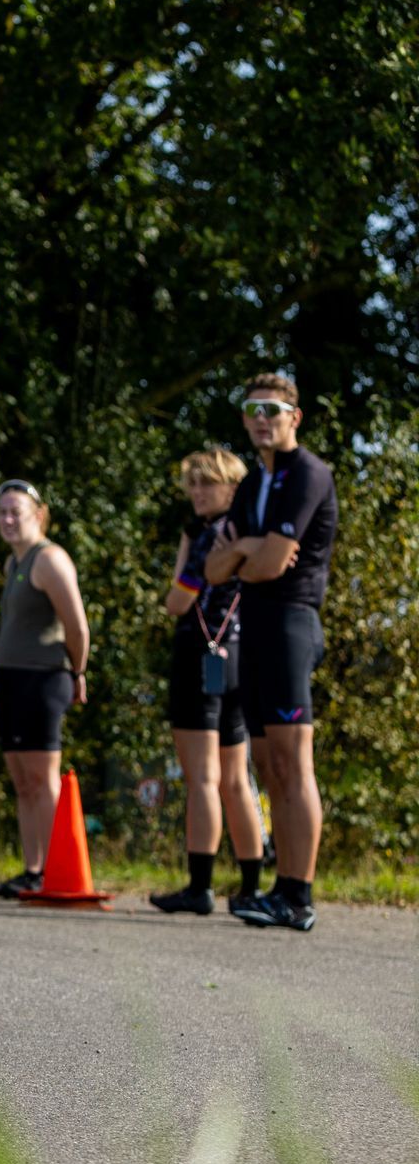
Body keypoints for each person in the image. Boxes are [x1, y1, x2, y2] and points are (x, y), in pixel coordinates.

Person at [206, 374, 337, 932]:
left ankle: (299, 896)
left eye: (273, 410)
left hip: (291, 623)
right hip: (253, 626)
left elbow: (265, 566)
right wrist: (242, 546)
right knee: (266, 765)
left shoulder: (308, 473)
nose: (262, 419)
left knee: (291, 763)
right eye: (253, 410)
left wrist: (245, 554)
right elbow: (215, 571)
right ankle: (280, 891)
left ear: (294, 418)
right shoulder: (252, 482)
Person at [151, 450, 265, 915]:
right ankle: (252, 886)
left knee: (204, 777)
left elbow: (178, 601)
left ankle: (200, 886)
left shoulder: (205, 534)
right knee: (236, 778)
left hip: (201, 654)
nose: (197, 492)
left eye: (207, 484)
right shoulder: (250, 530)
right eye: (193, 484)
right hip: (239, 654)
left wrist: (180, 582)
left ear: (232, 488)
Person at [0, 479, 90, 898]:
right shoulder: (14, 563)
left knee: (43, 778)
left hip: (43, 679)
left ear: (39, 515)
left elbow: (77, 625)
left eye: (17, 512)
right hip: (10, 678)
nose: (8, 520)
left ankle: (54, 870)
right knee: (21, 779)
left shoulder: (50, 560)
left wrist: (77, 672)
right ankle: (32, 868)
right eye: (2, 513)